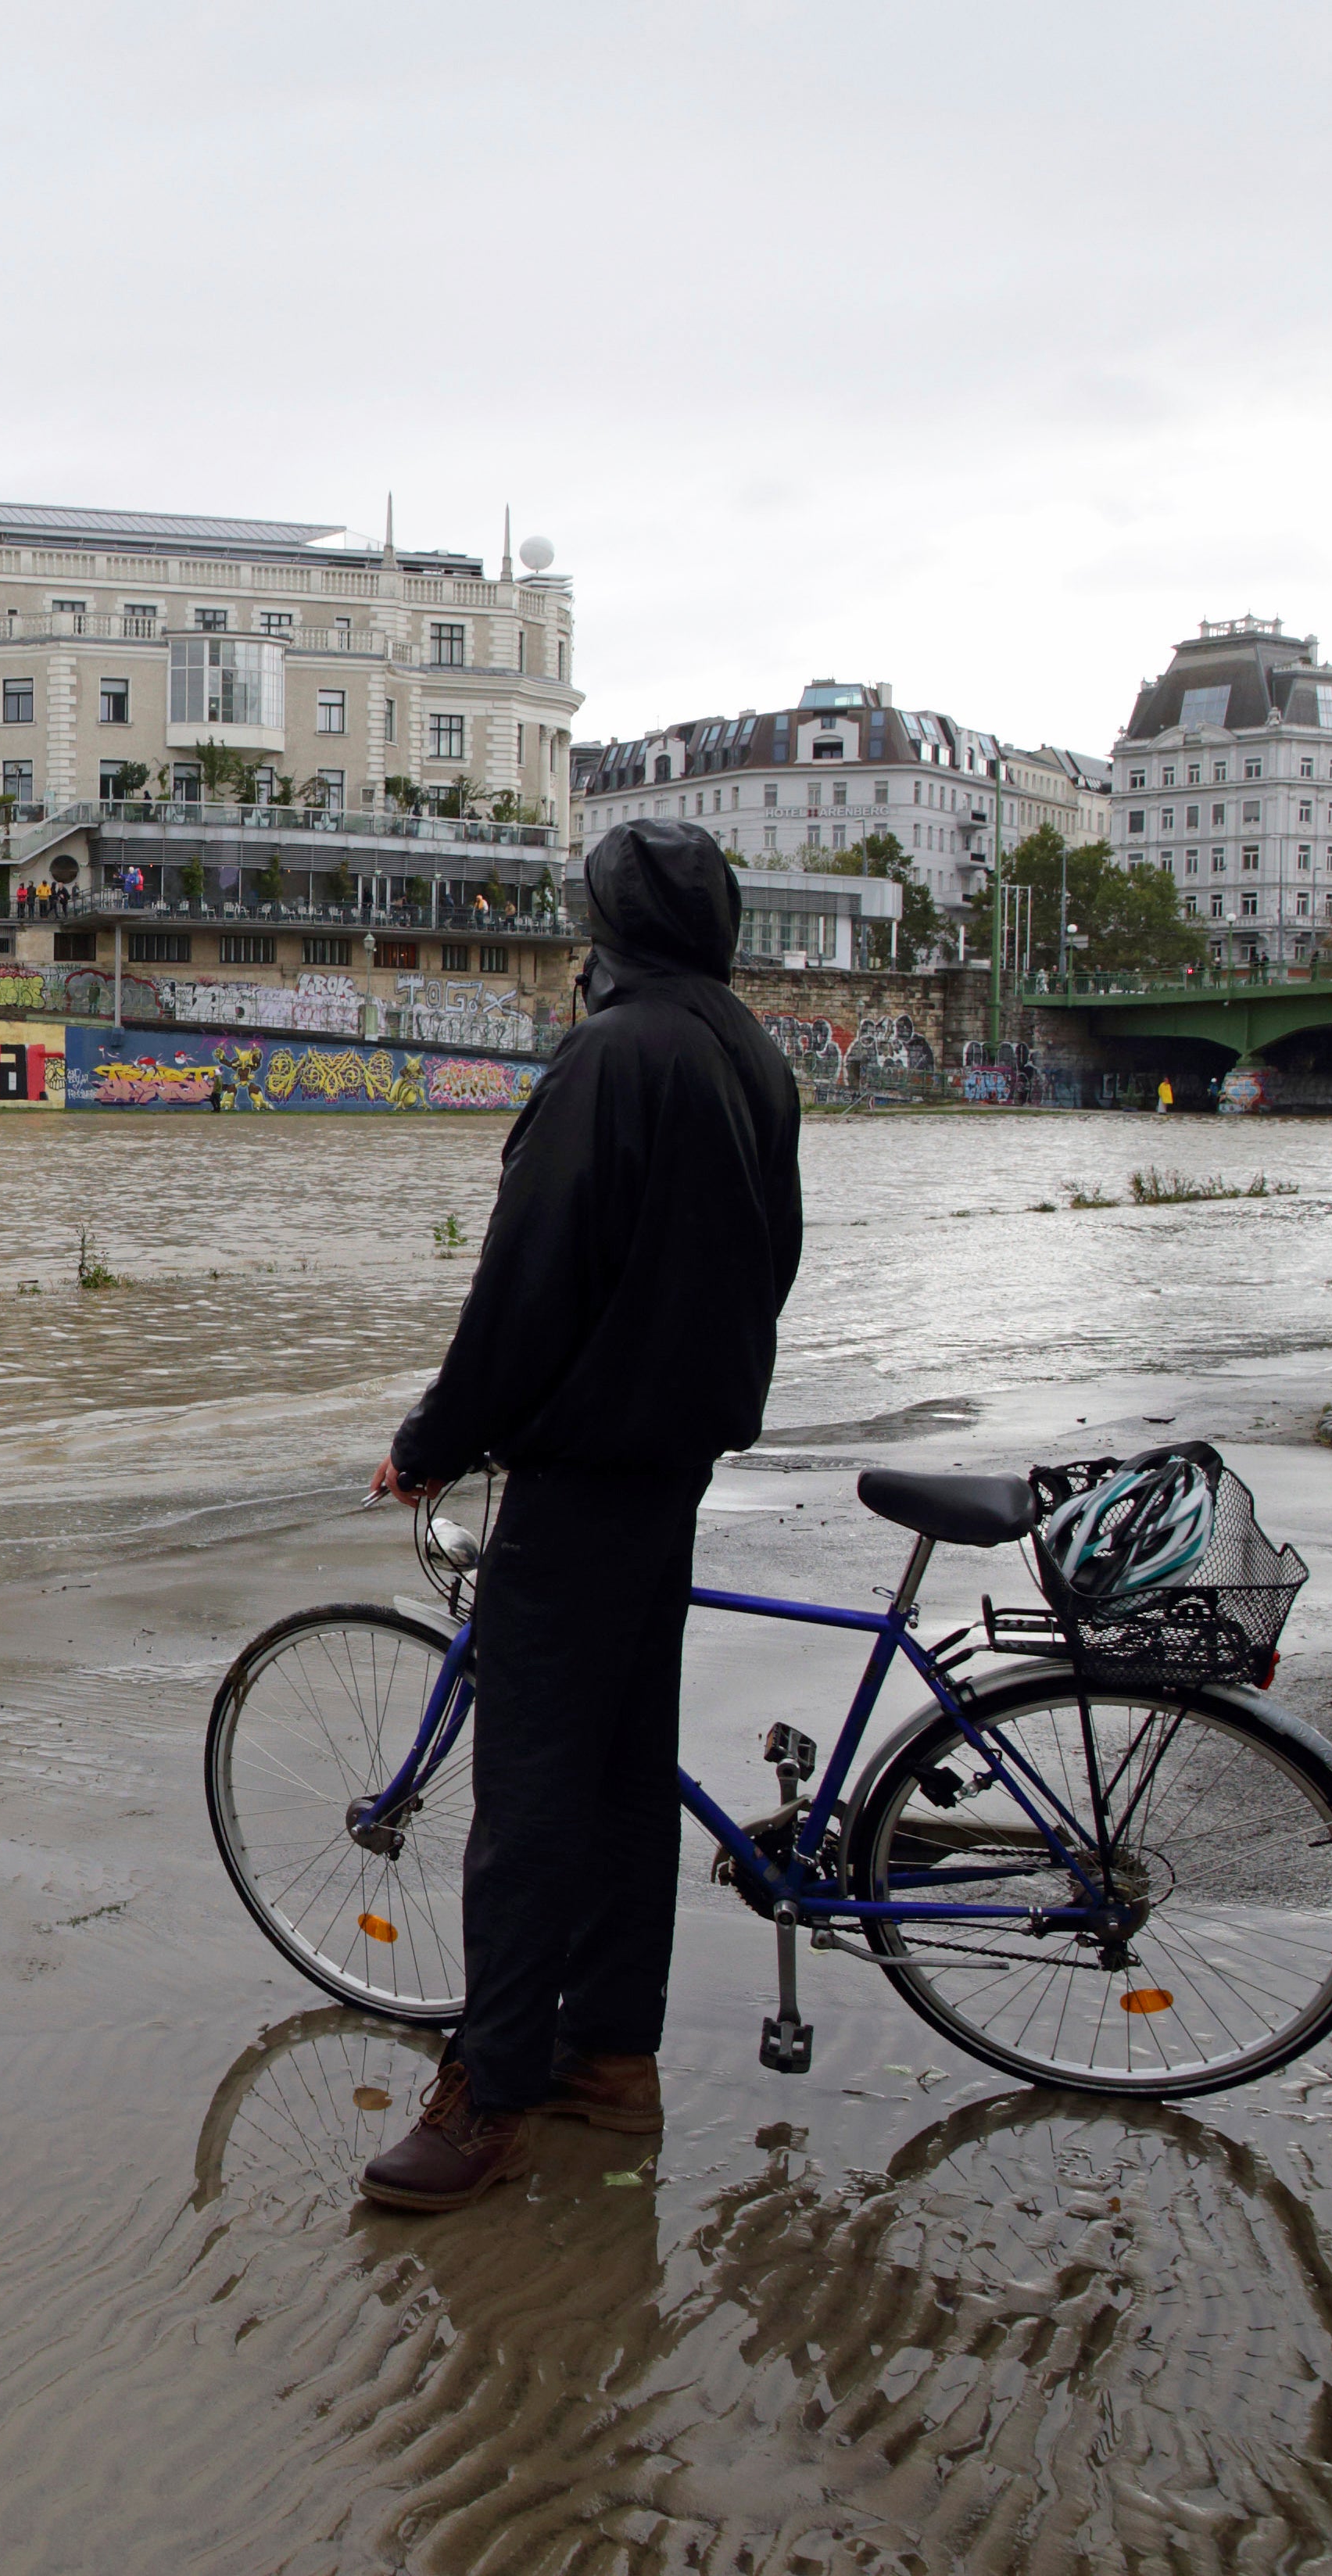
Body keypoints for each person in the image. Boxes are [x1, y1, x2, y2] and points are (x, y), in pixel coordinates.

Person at [356, 818, 804, 2214]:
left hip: (583, 1469)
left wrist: (435, 1440)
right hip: (671, 1460)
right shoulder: (745, 1049)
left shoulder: (610, 1058)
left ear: (602, 932)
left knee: (533, 1798)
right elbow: (770, 1259)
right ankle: (611, 2061)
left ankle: (487, 2094)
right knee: (620, 1779)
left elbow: (526, 1283)